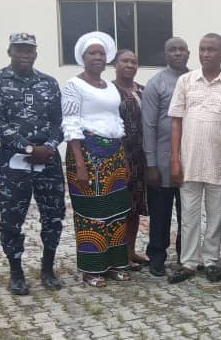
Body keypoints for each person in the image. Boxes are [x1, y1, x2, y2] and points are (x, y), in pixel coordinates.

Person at [0, 32, 65, 295]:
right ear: (10, 52)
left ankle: (48, 268)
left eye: (29, 50)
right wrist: (29, 148)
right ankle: (16, 273)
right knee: (11, 219)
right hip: (13, 163)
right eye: (19, 50)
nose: (24, 54)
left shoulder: (49, 83)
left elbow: (57, 123)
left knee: (53, 216)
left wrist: (49, 147)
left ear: (36, 53)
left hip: (48, 162)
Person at [168, 33, 221, 284]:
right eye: (202, 49)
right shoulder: (186, 81)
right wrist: (175, 159)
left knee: (214, 216)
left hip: (219, 162)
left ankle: (211, 261)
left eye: (212, 49)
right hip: (189, 161)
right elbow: (176, 122)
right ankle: (189, 263)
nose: (206, 53)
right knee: (188, 215)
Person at [61, 31, 132, 287]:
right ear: (83, 57)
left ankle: (115, 263)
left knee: (116, 210)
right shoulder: (73, 86)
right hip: (87, 156)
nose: (97, 57)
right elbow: (70, 125)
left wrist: (122, 158)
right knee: (91, 213)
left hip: (113, 154)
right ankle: (92, 269)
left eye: (101, 53)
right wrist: (80, 163)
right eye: (92, 53)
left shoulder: (110, 87)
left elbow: (115, 121)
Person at [141, 37, 190, 277]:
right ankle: (157, 256)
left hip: (190, 160)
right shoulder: (156, 84)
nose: (178, 54)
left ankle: (186, 255)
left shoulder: (195, 81)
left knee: (187, 213)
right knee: (160, 213)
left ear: (189, 54)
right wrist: (150, 164)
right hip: (160, 161)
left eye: (182, 50)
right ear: (165, 55)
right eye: (173, 50)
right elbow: (148, 125)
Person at [112, 49, 148, 270]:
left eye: (133, 61)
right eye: (124, 61)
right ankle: (117, 254)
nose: (129, 65)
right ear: (115, 64)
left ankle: (131, 250)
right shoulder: (108, 91)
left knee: (136, 206)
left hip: (141, 156)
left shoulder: (143, 91)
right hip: (118, 155)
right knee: (120, 206)